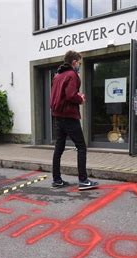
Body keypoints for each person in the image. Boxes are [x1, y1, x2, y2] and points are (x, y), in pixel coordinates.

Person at [50, 50, 99, 190]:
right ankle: (83, 180)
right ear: (74, 62)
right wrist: (80, 98)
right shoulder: (72, 75)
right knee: (81, 146)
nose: (80, 65)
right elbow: (71, 95)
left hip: (58, 116)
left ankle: (56, 179)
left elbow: (57, 95)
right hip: (69, 116)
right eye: (79, 63)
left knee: (59, 148)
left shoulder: (57, 76)